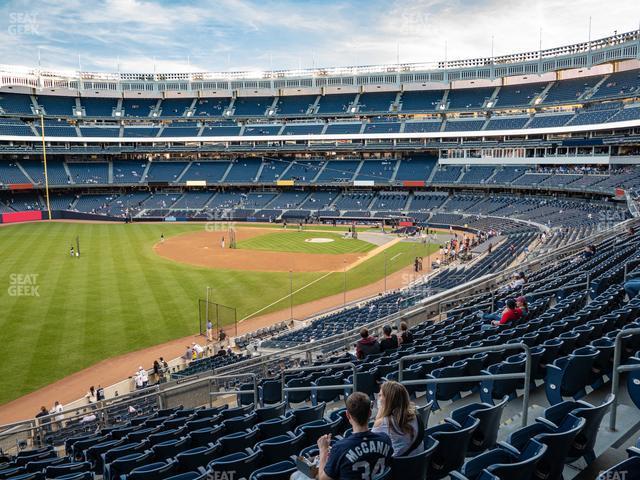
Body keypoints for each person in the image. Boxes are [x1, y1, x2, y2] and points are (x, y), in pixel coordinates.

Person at [315, 392, 393, 480]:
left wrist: (323, 450)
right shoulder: (385, 439)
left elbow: (323, 478)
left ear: (348, 415)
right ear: (370, 413)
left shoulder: (340, 448)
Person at [372, 381, 424, 457]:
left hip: (400, 465)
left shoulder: (383, 423)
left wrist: (380, 411)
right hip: (419, 460)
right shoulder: (415, 412)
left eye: (381, 395)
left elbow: (371, 445)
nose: (378, 397)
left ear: (389, 400)